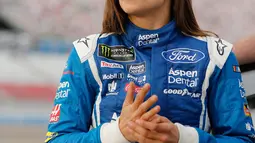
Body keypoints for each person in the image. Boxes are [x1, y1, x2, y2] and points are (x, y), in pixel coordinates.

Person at [45, 0, 255, 143]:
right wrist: (118, 132)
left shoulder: (216, 55)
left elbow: (241, 139)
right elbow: (57, 138)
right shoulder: (87, 52)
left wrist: (183, 137)